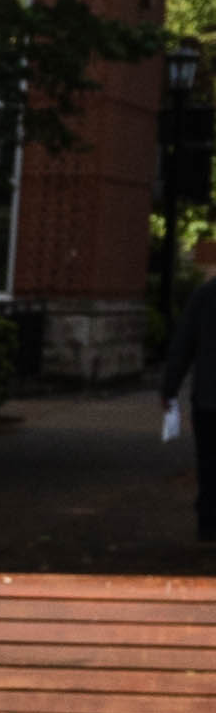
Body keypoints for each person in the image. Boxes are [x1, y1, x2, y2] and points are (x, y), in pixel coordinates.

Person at [158, 229, 213, 544]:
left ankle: (208, 523)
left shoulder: (204, 297)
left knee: (208, 462)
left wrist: (169, 388)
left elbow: (182, 347)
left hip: (208, 398)